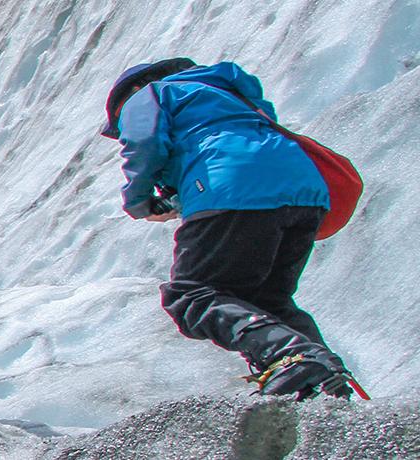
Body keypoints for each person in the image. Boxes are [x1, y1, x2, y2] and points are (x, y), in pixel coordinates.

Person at [101, 58, 355, 399]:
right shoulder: (228, 92)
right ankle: (325, 380)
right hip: (303, 191)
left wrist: (139, 201)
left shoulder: (149, 93)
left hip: (232, 186)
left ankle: (291, 359)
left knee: (191, 295)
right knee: (266, 300)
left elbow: (144, 143)